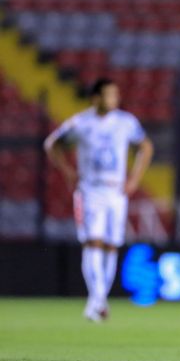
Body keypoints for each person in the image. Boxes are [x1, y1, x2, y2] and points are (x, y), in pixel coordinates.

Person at [44, 78, 154, 322]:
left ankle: (97, 300)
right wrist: (68, 171)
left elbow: (145, 147)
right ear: (96, 98)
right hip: (89, 190)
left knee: (111, 245)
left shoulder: (126, 122)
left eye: (115, 95)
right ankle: (98, 300)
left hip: (116, 192)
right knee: (93, 242)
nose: (113, 100)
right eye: (108, 95)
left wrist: (135, 179)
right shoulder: (81, 122)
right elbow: (52, 144)